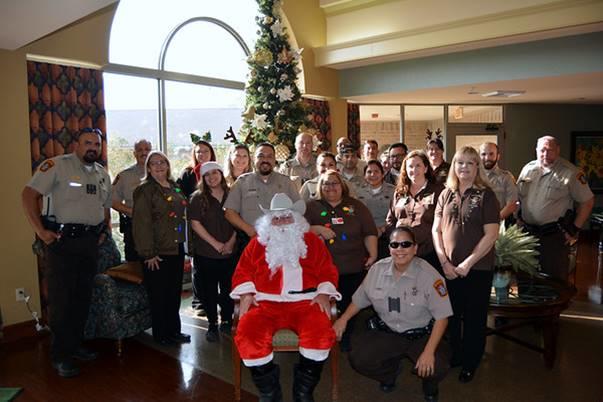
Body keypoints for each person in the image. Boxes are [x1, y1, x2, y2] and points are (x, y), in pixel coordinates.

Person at [231, 193, 341, 402]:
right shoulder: (257, 243)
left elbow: (327, 269)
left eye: (286, 216)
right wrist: (245, 293)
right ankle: (270, 393)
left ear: (296, 218)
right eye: (276, 217)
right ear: (269, 221)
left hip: (306, 302)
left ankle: (303, 393)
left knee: (319, 333)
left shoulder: (311, 241)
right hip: (264, 303)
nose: (281, 221)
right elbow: (242, 271)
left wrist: (325, 293)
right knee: (249, 334)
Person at [21, 127, 111, 378]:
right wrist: (40, 231)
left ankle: (75, 345)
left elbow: (104, 207)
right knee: (62, 300)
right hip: (62, 243)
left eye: (97, 143)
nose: (93, 147)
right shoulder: (56, 166)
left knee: (82, 298)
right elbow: (28, 195)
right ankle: (60, 356)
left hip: (89, 244)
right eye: (87, 143)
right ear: (77, 145)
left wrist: (102, 231)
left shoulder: (103, 174)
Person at [334, 227, 452, 401]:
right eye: (394, 245)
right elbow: (360, 299)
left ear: (415, 248)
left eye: (406, 244)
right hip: (388, 332)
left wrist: (428, 352)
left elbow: (442, 317)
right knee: (359, 359)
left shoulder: (430, 276)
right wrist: (342, 320)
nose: (400, 249)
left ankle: (430, 385)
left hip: (421, 335)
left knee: (438, 365)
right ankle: (389, 374)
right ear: (389, 248)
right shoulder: (377, 270)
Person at [432, 146, 500, 383]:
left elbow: (491, 234)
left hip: (477, 269)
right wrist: (444, 262)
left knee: (474, 318)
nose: (464, 167)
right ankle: (457, 355)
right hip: (449, 269)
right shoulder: (446, 193)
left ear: (477, 167)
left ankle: (471, 362)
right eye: (460, 162)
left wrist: (468, 263)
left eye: (470, 163)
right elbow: (436, 229)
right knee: (451, 316)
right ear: (454, 166)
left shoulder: (487, 195)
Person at [305, 170, 378, 351]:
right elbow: (298, 230)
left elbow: (369, 232)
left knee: (348, 307)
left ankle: (345, 339)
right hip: (321, 271)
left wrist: (373, 254)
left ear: (342, 186)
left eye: (335, 183)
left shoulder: (356, 206)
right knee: (323, 309)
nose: (331, 187)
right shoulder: (311, 207)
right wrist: (316, 228)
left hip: (352, 267)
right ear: (320, 187)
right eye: (326, 184)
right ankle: (322, 340)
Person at [132, 151, 190, 346]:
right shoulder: (145, 190)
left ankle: (174, 331)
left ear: (167, 165)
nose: (158, 165)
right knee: (159, 295)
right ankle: (161, 334)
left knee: (174, 294)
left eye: (162, 162)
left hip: (176, 248)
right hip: (156, 252)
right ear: (148, 168)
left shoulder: (175, 187)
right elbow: (141, 223)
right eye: (154, 163)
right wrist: (148, 253)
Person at [517, 136, 594, 281]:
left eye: (550, 150)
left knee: (553, 283)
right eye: (542, 150)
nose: (545, 154)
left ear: (558, 150)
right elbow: (519, 198)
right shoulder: (528, 169)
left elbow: (588, 202)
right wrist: (518, 218)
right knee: (525, 278)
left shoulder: (571, 172)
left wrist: (573, 230)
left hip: (553, 237)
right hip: (526, 234)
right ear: (536, 150)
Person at [188, 162, 236, 342]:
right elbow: (195, 223)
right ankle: (212, 324)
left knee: (228, 289)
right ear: (202, 178)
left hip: (230, 252)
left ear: (221, 174)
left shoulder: (232, 194)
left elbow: (238, 219)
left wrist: (231, 242)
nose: (211, 177)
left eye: (214, 173)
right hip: (206, 253)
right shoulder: (198, 197)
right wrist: (216, 244)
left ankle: (226, 320)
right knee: (208, 291)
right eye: (207, 175)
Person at [224, 142, 300, 250]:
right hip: (250, 242)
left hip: (282, 242)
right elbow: (229, 213)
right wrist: (249, 230)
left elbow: (298, 212)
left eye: (270, 156)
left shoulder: (287, 183)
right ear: (254, 159)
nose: (265, 160)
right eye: (261, 156)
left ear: (274, 160)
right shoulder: (242, 182)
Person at [386, 150, 444, 273]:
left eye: (418, 165)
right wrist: (397, 242)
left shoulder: (438, 191)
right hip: (402, 254)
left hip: (428, 253)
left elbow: (443, 222)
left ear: (426, 168)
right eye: (410, 166)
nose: (414, 170)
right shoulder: (400, 192)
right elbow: (390, 220)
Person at [112, 139, 152, 261]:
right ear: (134, 153)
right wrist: (134, 212)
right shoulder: (124, 176)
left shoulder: (162, 173)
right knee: (134, 270)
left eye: (147, 150)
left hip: (159, 230)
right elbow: (113, 201)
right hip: (134, 229)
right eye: (140, 150)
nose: (143, 153)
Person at [355, 160, 395, 259]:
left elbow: (396, 214)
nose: (373, 174)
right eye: (369, 172)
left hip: (386, 235)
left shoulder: (393, 191)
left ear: (382, 174)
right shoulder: (358, 192)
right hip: (364, 236)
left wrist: (382, 229)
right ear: (364, 175)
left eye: (376, 171)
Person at [479, 142, 518, 221]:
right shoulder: (473, 177)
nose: (487, 158)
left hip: (500, 225)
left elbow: (512, 204)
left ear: (498, 156)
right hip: (476, 225)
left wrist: (493, 221)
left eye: (491, 154)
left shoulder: (506, 178)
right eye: (483, 154)